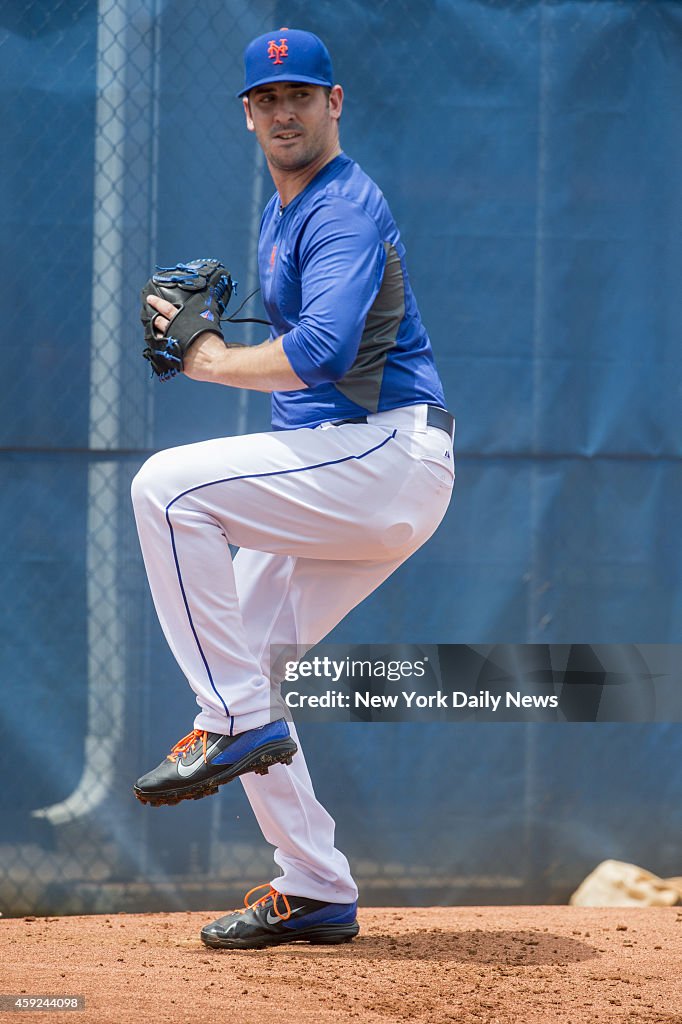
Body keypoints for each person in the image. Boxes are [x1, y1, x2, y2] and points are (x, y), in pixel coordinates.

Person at [131, 27, 454, 950]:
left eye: (301, 95)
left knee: (167, 489)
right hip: (353, 464)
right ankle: (315, 884)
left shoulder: (343, 207)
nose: (285, 110)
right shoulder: (287, 208)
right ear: (247, 113)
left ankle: (228, 724)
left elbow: (322, 355)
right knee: (253, 665)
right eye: (268, 99)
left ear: (334, 102)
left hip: (387, 457)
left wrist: (207, 356)